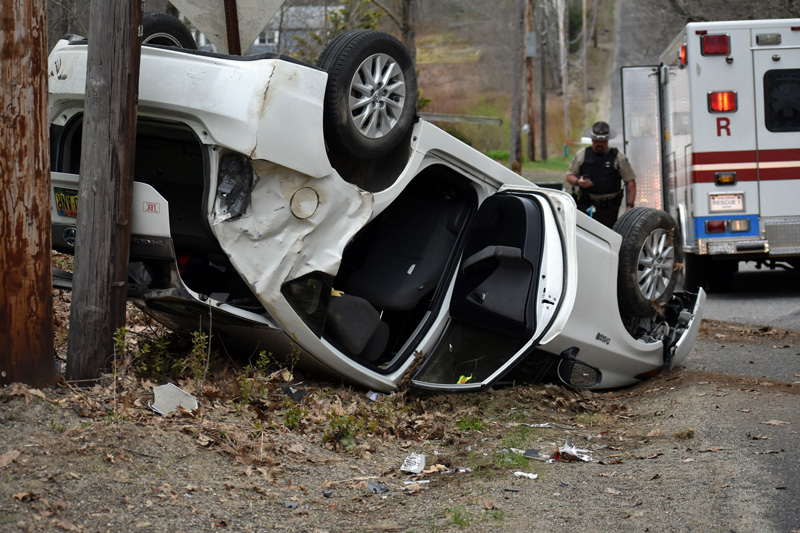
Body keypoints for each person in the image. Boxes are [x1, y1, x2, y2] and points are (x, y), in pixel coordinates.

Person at [565, 121, 637, 228]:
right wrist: (578, 182)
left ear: (607, 140)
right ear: (592, 139)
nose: (599, 144)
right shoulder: (583, 155)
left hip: (609, 208)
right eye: (597, 141)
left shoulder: (617, 157)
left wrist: (630, 206)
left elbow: (630, 181)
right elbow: (570, 175)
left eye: (603, 141)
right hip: (585, 204)